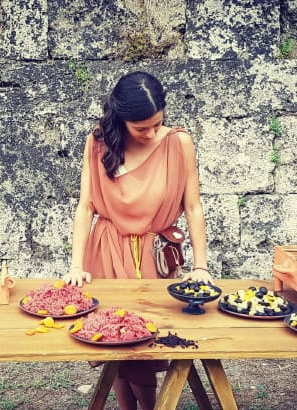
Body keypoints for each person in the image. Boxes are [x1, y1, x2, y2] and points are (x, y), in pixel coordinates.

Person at [63, 71, 213, 410]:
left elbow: (193, 206)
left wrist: (200, 265)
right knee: (113, 337)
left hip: (153, 254)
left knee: (145, 342)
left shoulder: (179, 143)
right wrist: (76, 265)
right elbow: (85, 207)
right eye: (141, 128)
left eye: (157, 124)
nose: (151, 133)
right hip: (107, 250)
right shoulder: (98, 142)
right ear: (121, 119)